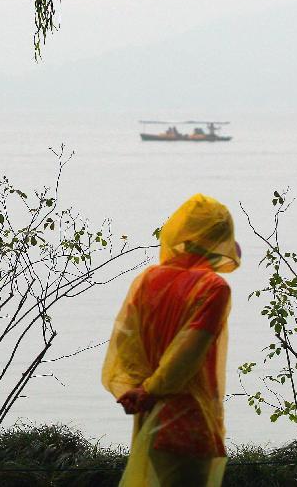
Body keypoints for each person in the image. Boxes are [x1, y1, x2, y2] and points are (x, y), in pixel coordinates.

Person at [103, 194, 241, 487]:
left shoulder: (149, 278)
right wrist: (152, 389)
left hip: (149, 412)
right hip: (188, 415)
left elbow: (126, 343)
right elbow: (188, 352)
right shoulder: (213, 287)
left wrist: (137, 389)